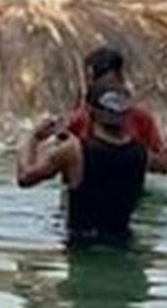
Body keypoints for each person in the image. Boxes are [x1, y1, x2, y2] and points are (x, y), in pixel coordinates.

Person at [17, 81, 149, 244]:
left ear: (88, 109)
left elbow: (25, 178)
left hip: (83, 248)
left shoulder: (74, 150)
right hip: (124, 244)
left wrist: (33, 138)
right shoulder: (141, 152)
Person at [64, 46, 167, 173]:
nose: (92, 85)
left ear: (120, 79)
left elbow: (165, 163)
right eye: (90, 79)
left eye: (100, 78)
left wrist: (134, 159)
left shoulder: (141, 118)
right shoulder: (78, 119)